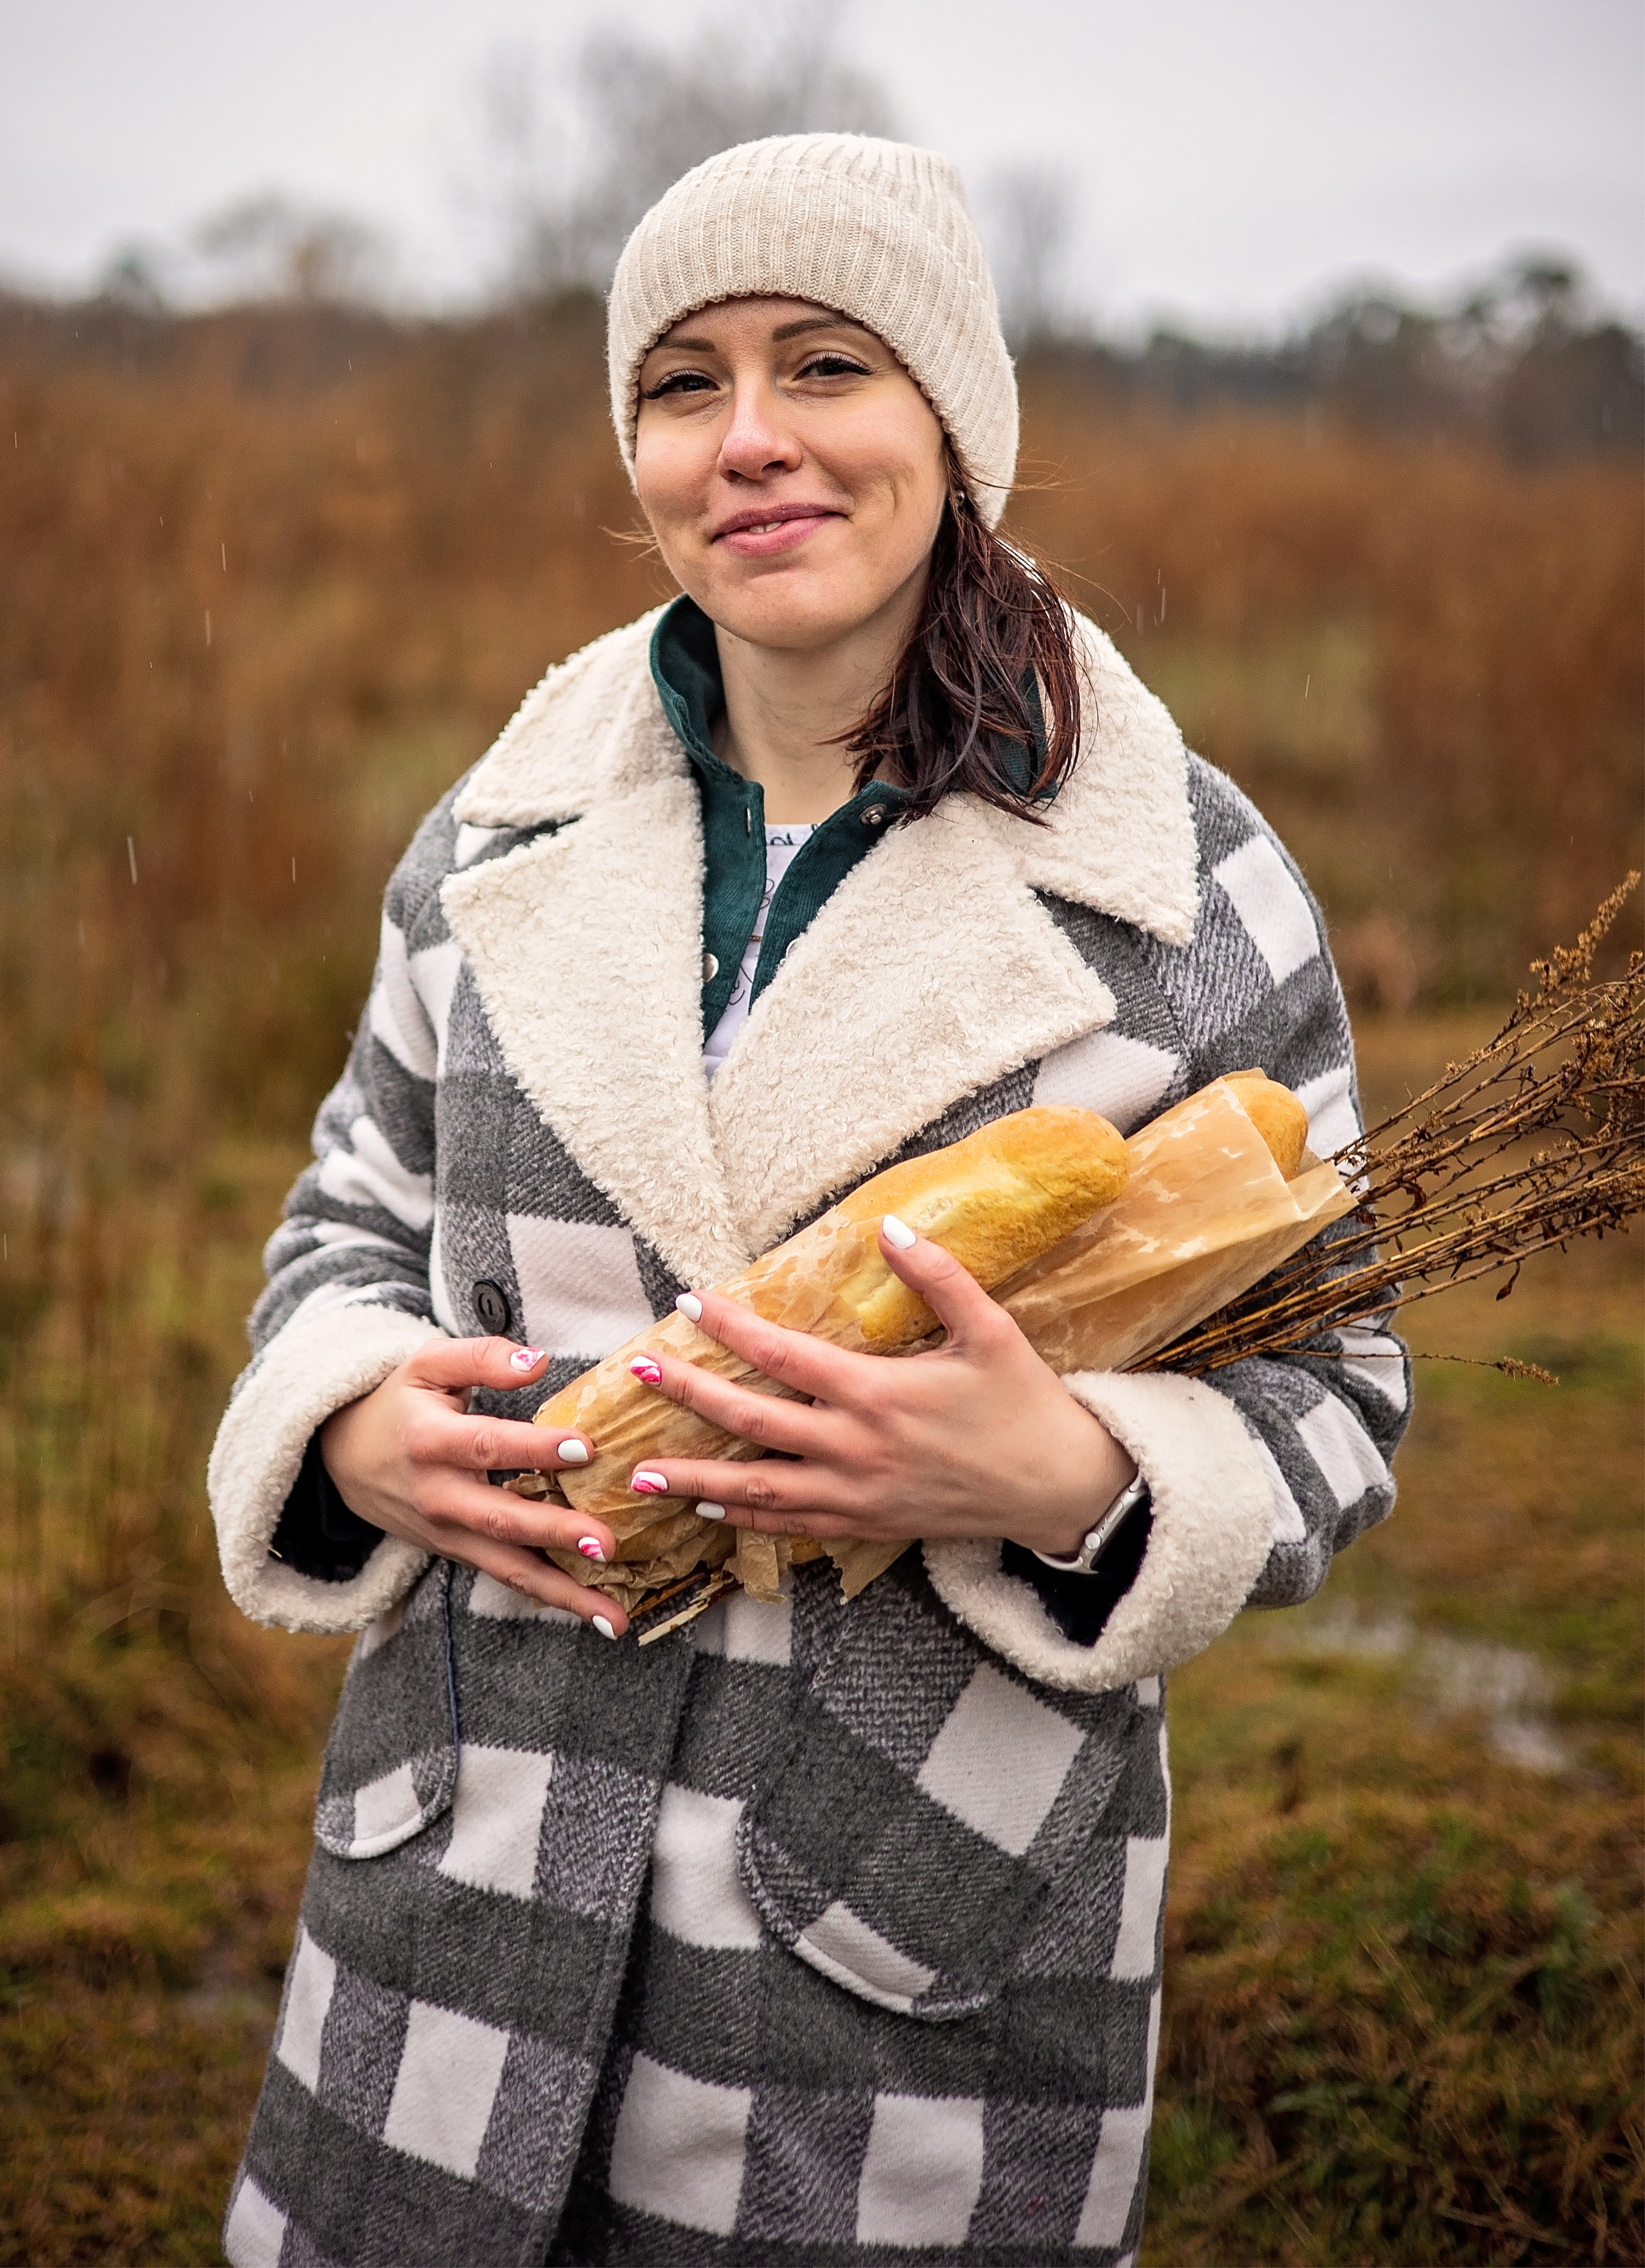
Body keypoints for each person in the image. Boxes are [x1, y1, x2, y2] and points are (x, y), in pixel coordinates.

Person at [211, 133, 1409, 2268]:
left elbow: (1340, 1386)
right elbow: (352, 1218)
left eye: (826, 365)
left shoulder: (1182, 885)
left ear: (953, 420)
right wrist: (355, 1420)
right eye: (684, 384)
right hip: (463, 1879)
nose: (750, 439)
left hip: (893, 1937)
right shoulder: (499, 833)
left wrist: (1060, 1475)